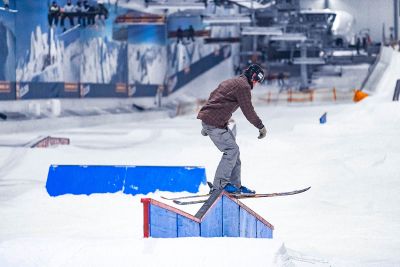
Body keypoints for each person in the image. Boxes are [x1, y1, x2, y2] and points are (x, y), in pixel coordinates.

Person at [197, 64, 267, 194]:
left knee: (235, 151)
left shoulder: (233, 82)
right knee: (231, 150)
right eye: (257, 81)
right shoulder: (243, 87)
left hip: (215, 122)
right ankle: (219, 186)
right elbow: (248, 111)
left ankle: (235, 186)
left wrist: (206, 119)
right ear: (252, 77)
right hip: (214, 124)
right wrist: (260, 126)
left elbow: (214, 96)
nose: (256, 84)